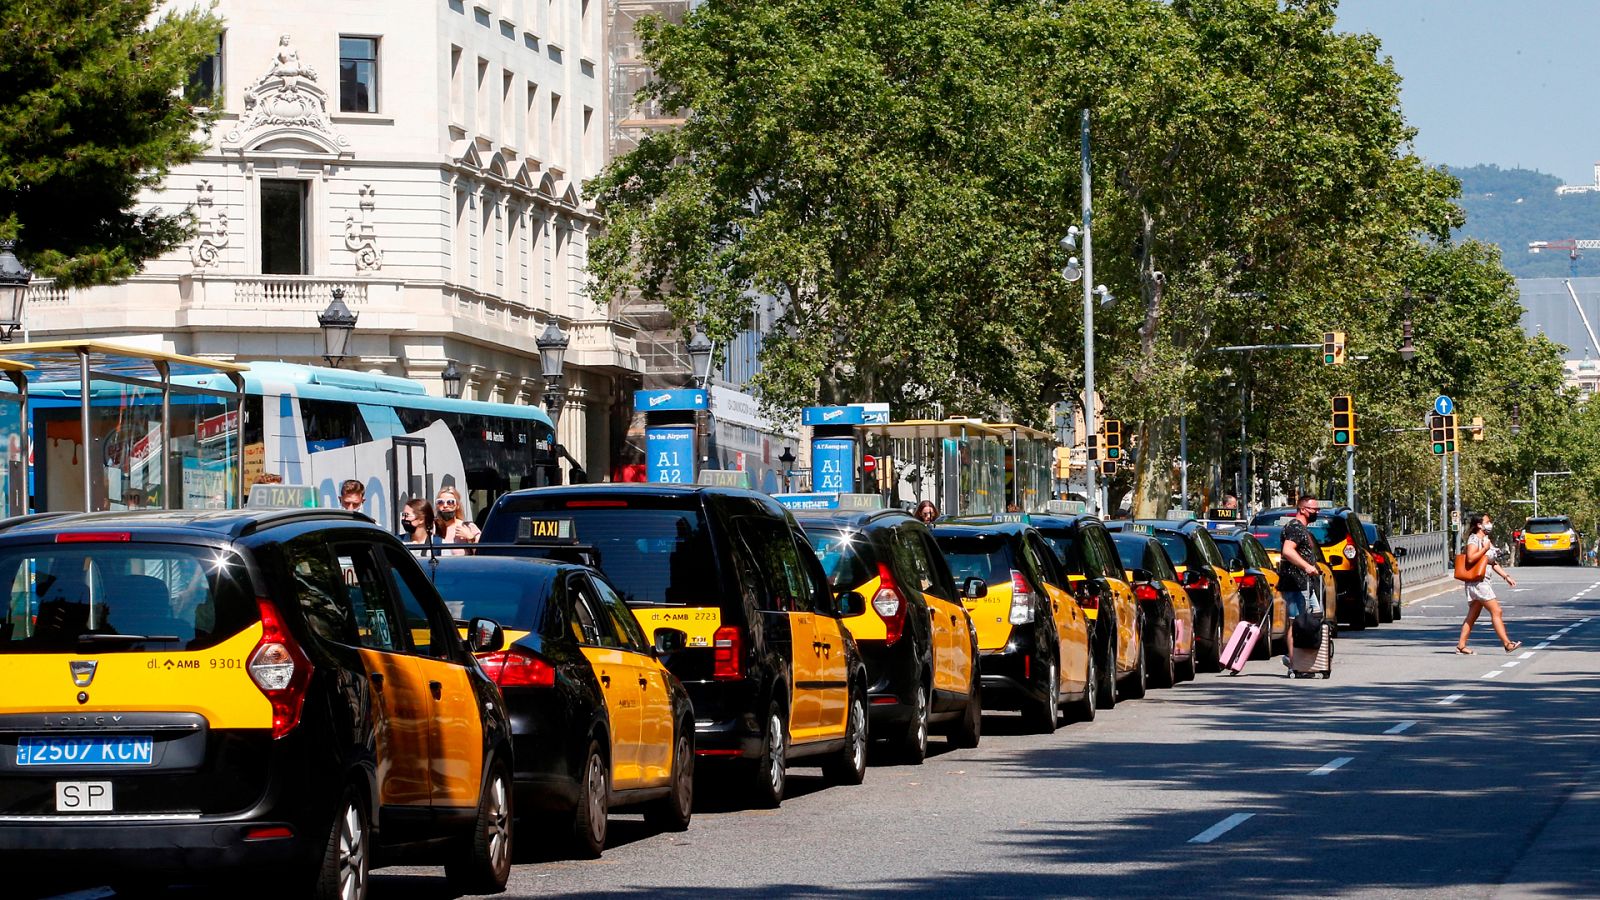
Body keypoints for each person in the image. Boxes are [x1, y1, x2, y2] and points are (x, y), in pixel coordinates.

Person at [1456, 512, 1520, 654]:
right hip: (1478, 583)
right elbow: (1471, 559)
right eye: (1487, 521)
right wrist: (1485, 548)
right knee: (1497, 611)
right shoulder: (1474, 540)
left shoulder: (1485, 539)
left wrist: (1506, 576)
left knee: (1472, 615)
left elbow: (1492, 562)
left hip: (1482, 581)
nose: (1490, 524)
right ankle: (1507, 644)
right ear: (1479, 525)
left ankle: (1461, 645)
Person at [1278, 494, 1324, 672]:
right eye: (1314, 509)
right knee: (1296, 622)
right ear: (1303, 509)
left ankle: (1306, 663)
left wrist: (1314, 566)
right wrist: (1307, 567)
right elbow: (1288, 551)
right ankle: (1294, 664)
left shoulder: (1303, 529)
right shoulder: (1295, 528)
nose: (1317, 512)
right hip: (1295, 583)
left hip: (1306, 583)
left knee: (1312, 620)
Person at [433, 486, 481, 552]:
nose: (445, 505)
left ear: (457, 505)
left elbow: (482, 553)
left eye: (450, 502)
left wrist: (471, 538)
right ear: (437, 506)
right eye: (440, 502)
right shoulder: (431, 527)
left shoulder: (469, 527)